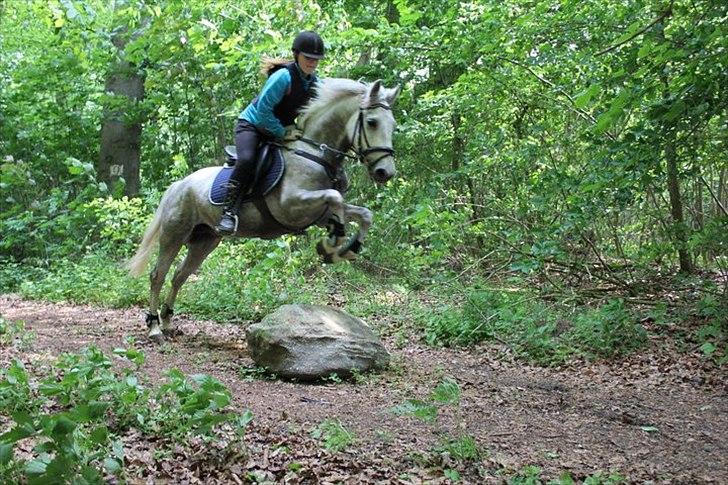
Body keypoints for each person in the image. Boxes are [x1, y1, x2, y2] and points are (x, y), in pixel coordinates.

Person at [216, 30, 325, 235]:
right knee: (247, 160)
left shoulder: (314, 82)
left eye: (316, 60)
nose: (312, 63)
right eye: (308, 58)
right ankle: (228, 212)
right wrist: (282, 132)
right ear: (296, 55)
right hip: (253, 125)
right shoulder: (283, 77)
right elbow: (262, 112)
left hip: (281, 130)